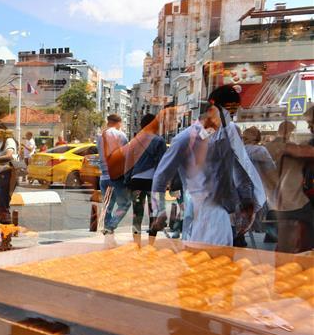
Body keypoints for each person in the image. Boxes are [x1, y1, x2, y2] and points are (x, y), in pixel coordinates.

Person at [152, 85, 265, 247]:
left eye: (234, 111)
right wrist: (159, 210)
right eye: (228, 110)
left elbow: (240, 166)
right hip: (200, 212)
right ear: (212, 107)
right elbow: (161, 176)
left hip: (225, 213)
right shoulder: (185, 139)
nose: (230, 116)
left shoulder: (231, 132)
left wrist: (247, 202)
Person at [265, 112, 314, 252]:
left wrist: (286, 147)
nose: (309, 127)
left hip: (290, 203)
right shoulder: (279, 147)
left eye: (311, 123)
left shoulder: (276, 147)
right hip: (295, 202)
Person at [126, 113, 167, 241]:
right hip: (153, 182)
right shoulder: (159, 141)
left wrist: (127, 180)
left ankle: (136, 242)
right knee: (153, 213)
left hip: (136, 181)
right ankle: (151, 243)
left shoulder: (135, 140)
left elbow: (128, 162)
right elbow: (163, 163)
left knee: (137, 214)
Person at [97, 114, 131, 235]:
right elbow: (126, 155)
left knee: (107, 204)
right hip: (116, 175)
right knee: (125, 203)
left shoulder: (100, 136)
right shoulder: (120, 135)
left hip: (103, 176)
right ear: (119, 123)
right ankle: (111, 225)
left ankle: (107, 226)